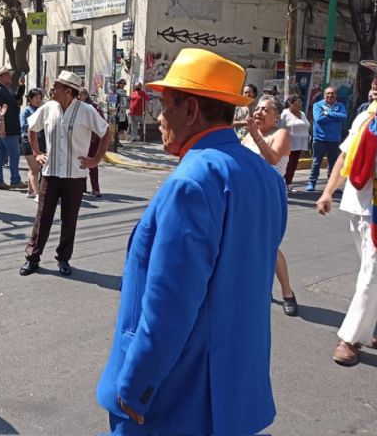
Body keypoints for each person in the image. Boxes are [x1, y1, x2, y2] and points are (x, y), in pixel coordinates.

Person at [96, 48, 287, 435]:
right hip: (236, 384)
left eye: (165, 106)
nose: (159, 118)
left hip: (179, 391)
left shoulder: (193, 181)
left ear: (191, 110)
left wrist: (135, 386)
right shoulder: (265, 176)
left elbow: (169, 305)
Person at [317, 54, 377, 366]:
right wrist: (328, 191)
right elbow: (344, 157)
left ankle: (351, 338)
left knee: (374, 273)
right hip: (359, 206)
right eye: (376, 76)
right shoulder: (367, 117)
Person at [19, 71, 110, 277]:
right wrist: (37, 152)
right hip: (51, 173)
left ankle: (63, 258)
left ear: (69, 91)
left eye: (57, 87)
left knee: (69, 219)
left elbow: (106, 132)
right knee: (42, 217)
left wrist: (95, 159)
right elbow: (31, 128)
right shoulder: (49, 108)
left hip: (75, 176)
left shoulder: (86, 110)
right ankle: (32, 257)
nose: (52, 90)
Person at [242, 94, 298, 317]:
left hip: (269, 195)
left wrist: (255, 135)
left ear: (276, 117)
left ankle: (287, 292)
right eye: (257, 109)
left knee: (269, 245)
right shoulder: (247, 135)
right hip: (247, 196)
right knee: (247, 244)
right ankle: (260, 289)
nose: (259, 112)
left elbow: (272, 160)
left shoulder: (281, 134)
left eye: (266, 110)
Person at [0, 67, 27, 190]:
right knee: (14, 153)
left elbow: (16, 99)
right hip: (6, 128)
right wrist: (1, 127)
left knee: (0, 154)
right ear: (0, 78)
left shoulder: (6, 89)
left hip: (6, 127)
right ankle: (14, 180)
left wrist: (21, 87)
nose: (10, 77)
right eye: (7, 76)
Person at [306, 86, 347, 192]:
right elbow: (319, 118)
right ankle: (311, 182)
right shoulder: (317, 105)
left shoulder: (340, 105)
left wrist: (329, 114)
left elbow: (343, 116)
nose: (330, 96)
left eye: (332, 94)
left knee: (333, 164)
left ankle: (333, 185)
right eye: (328, 94)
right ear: (324, 95)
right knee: (316, 162)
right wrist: (335, 117)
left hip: (334, 139)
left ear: (336, 95)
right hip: (320, 139)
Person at [79, 87, 105, 197]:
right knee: (81, 162)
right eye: (78, 95)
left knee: (92, 163)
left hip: (93, 139)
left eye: (81, 95)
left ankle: (96, 189)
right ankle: (82, 187)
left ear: (86, 95)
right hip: (81, 138)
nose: (78, 97)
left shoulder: (92, 107)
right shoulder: (77, 107)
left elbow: (102, 123)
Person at [280, 94, 311, 188]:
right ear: (291, 103)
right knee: (287, 165)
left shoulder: (302, 113)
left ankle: (288, 184)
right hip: (288, 143)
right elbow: (279, 127)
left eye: (300, 102)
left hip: (300, 143)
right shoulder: (285, 113)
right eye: (298, 102)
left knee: (294, 164)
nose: (300, 104)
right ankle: (282, 184)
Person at [19, 88, 45, 199]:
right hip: (27, 141)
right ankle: (37, 193)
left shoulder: (42, 110)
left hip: (40, 141)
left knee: (34, 168)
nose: (38, 100)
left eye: (40, 98)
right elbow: (23, 126)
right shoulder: (26, 111)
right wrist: (36, 124)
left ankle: (30, 191)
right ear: (30, 99)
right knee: (35, 169)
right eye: (36, 98)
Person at [115, 79, 129, 145]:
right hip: (118, 110)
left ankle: (117, 139)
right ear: (119, 84)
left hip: (123, 110)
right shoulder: (116, 91)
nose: (123, 85)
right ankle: (116, 140)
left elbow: (125, 100)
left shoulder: (125, 91)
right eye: (121, 83)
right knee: (118, 125)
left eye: (124, 84)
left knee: (124, 125)